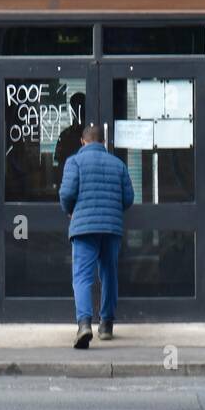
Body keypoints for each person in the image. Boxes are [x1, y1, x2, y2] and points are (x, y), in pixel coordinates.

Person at [59, 123, 134, 348]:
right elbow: (128, 198)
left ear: (83, 141)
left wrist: (70, 211)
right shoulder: (118, 164)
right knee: (109, 273)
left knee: (82, 276)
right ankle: (107, 325)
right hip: (111, 228)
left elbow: (66, 193)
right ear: (104, 142)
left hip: (83, 228)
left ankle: (84, 325)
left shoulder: (74, 162)